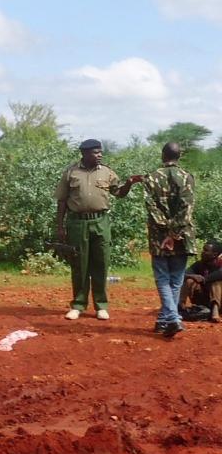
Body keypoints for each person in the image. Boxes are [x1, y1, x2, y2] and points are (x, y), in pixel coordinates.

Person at [56, 138, 142, 320]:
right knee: (79, 265)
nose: (100, 155)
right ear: (84, 154)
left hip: (101, 222)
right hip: (77, 223)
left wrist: (128, 184)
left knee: (101, 263)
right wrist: (60, 227)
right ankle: (78, 305)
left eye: (100, 152)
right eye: (95, 152)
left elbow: (118, 193)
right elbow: (62, 201)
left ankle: (101, 305)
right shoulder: (71, 172)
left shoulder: (107, 172)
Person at [143, 142, 195, 337]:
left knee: (163, 278)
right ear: (179, 156)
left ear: (163, 155)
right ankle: (169, 319)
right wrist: (175, 234)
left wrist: (166, 233)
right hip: (183, 236)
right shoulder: (187, 177)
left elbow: (151, 207)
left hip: (159, 236)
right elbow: (187, 209)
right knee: (176, 280)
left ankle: (169, 319)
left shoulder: (151, 178)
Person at [179, 241, 222, 323]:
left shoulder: (220, 263)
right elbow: (183, 274)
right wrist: (193, 276)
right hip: (203, 300)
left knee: (216, 282)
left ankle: (215, 310)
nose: (202, 252)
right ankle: (181, 306)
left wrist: (204, 279)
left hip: (220, 300)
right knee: (189, 280)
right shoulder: (199, 264)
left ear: (215, 254)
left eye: (206, 250)